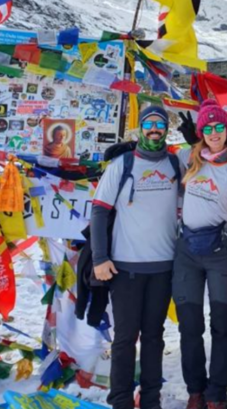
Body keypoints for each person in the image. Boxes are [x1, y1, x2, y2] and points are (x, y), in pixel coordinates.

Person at [91, 105, 180, 409]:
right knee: (126, 339)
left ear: (166, 129)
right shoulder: (123, 163)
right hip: (126, 267)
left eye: (160, 124)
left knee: (155, 337)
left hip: (164, 267)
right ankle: (121, 401)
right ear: (141, 128)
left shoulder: (175, 163)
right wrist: (100, 258)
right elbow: (100, 210)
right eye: (149, 124)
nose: (154, 129)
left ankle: (151, 399)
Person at [174, 99, 227, 409]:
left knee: (222, 324)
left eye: (220, 127)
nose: (215, 133)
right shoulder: (188, 158)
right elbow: (155, 160)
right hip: (188, 252)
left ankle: (216, 392)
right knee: (190, 324)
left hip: (220, 251)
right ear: (201, 132)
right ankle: (196, 389)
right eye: (208, 128)